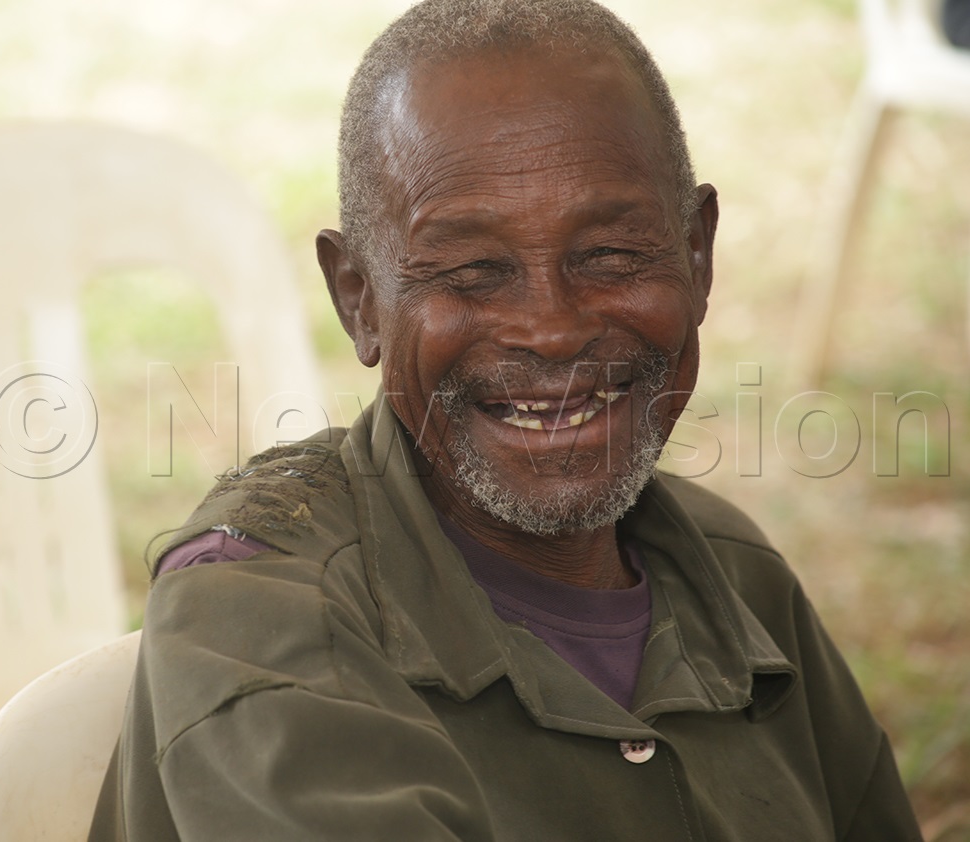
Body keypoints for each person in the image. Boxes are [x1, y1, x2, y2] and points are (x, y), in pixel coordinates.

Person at [90, 1, 924, 838]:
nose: (553, 329)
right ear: (360, 302)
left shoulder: (734, 577)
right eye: (470, 272)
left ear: (698, 256)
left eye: (611, 256)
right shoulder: (258, 619)